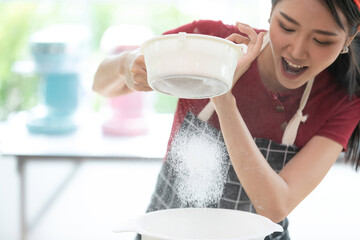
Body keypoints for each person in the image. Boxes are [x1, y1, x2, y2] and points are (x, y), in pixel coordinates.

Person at [93, 0, 360, 239]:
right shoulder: (212, 44)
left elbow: (274, 206)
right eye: (287, 27)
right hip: (165, 234)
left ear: (350, 39)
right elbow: (101, 85)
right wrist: (126, 65)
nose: (298, 51)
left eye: (322, 40)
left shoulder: (343, 100)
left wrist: (222, 96)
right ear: (270, 11)